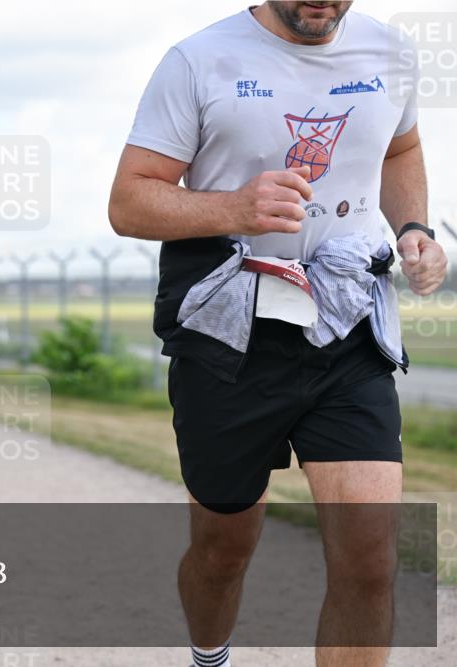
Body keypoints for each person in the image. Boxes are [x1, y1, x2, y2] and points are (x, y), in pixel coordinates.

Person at [108, 3, 448, 666]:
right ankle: (210, 654)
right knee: (223, 548)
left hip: (347, 326)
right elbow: (129, 200)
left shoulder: (391, 53)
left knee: (371, 556)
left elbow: (400, 148)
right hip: (229, 335)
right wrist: (233, 207)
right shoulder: (198, 61)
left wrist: (414, 229)